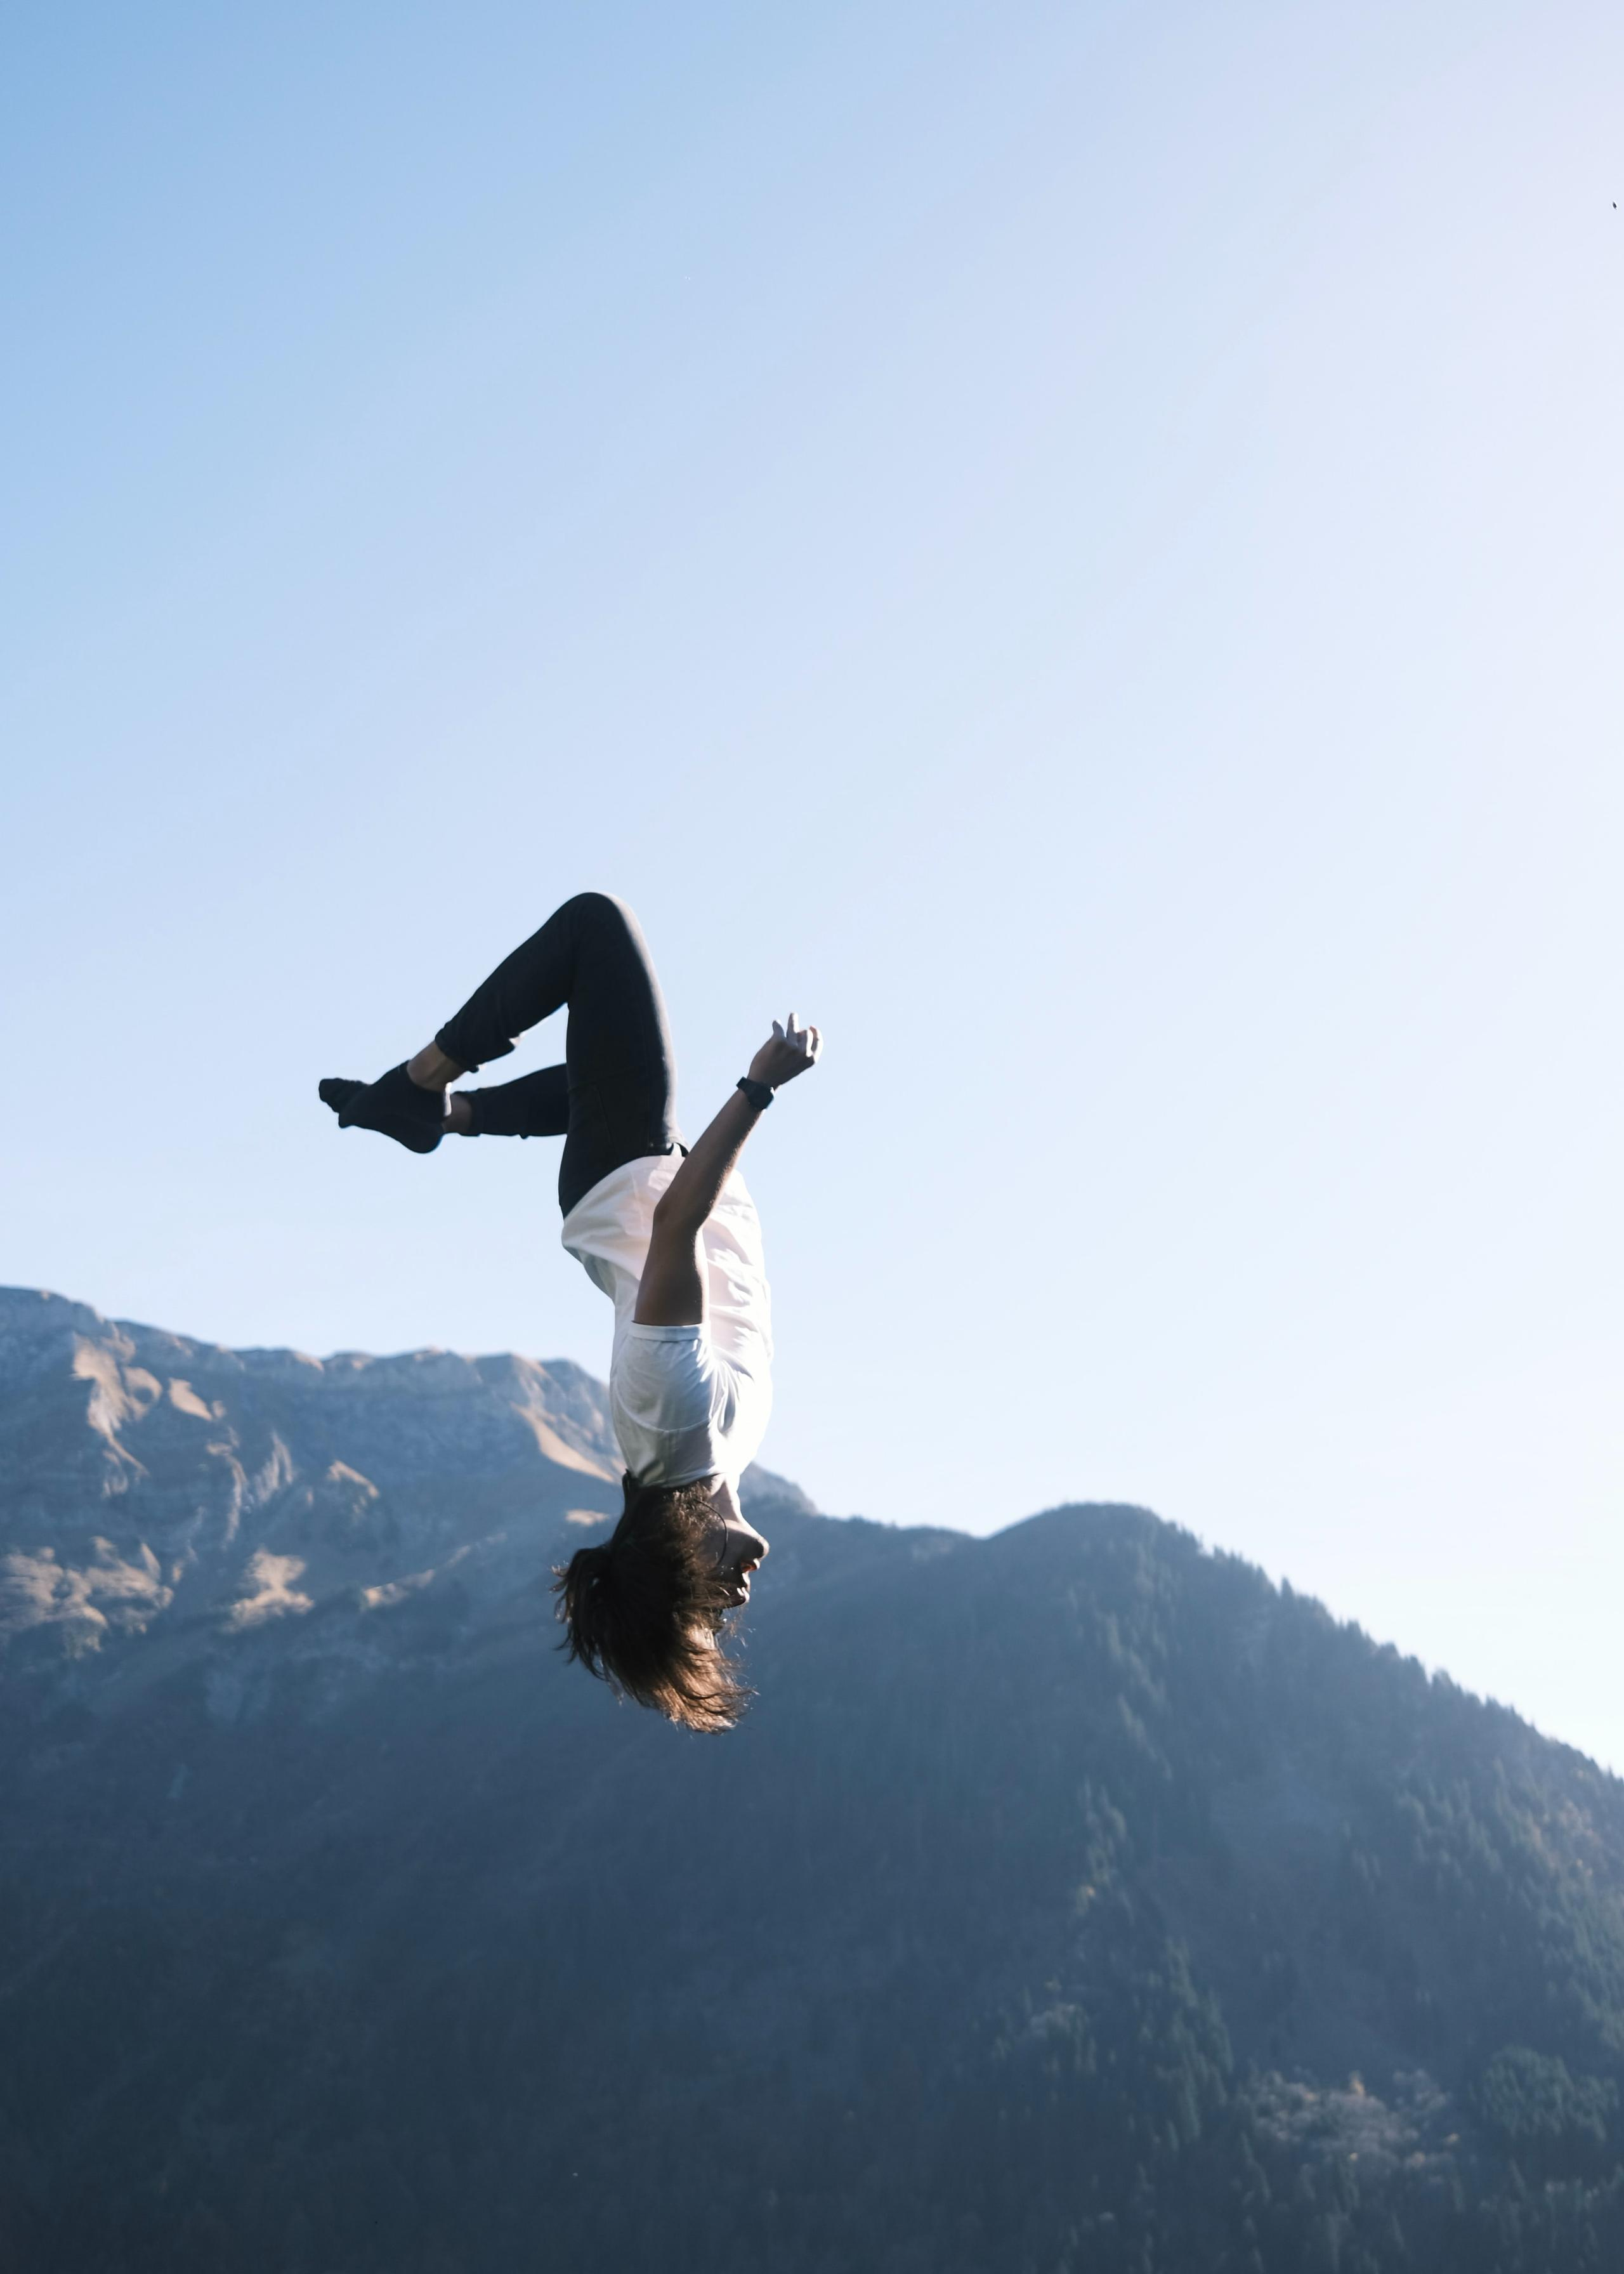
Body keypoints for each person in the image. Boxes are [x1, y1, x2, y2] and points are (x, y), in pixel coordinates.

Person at [319, 891, 820, 1730]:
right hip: (634, 1170)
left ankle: (419, 1086)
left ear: (669, 1560)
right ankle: (447, 1115)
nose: (734, 1600)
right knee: (610, 1066)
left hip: (624, 1180)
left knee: (596, 927)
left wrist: (758, 1091)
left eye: (705, 1602)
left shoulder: (669, 1421)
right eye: (724, 1617)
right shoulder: (713, 1458)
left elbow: (676, 1226)